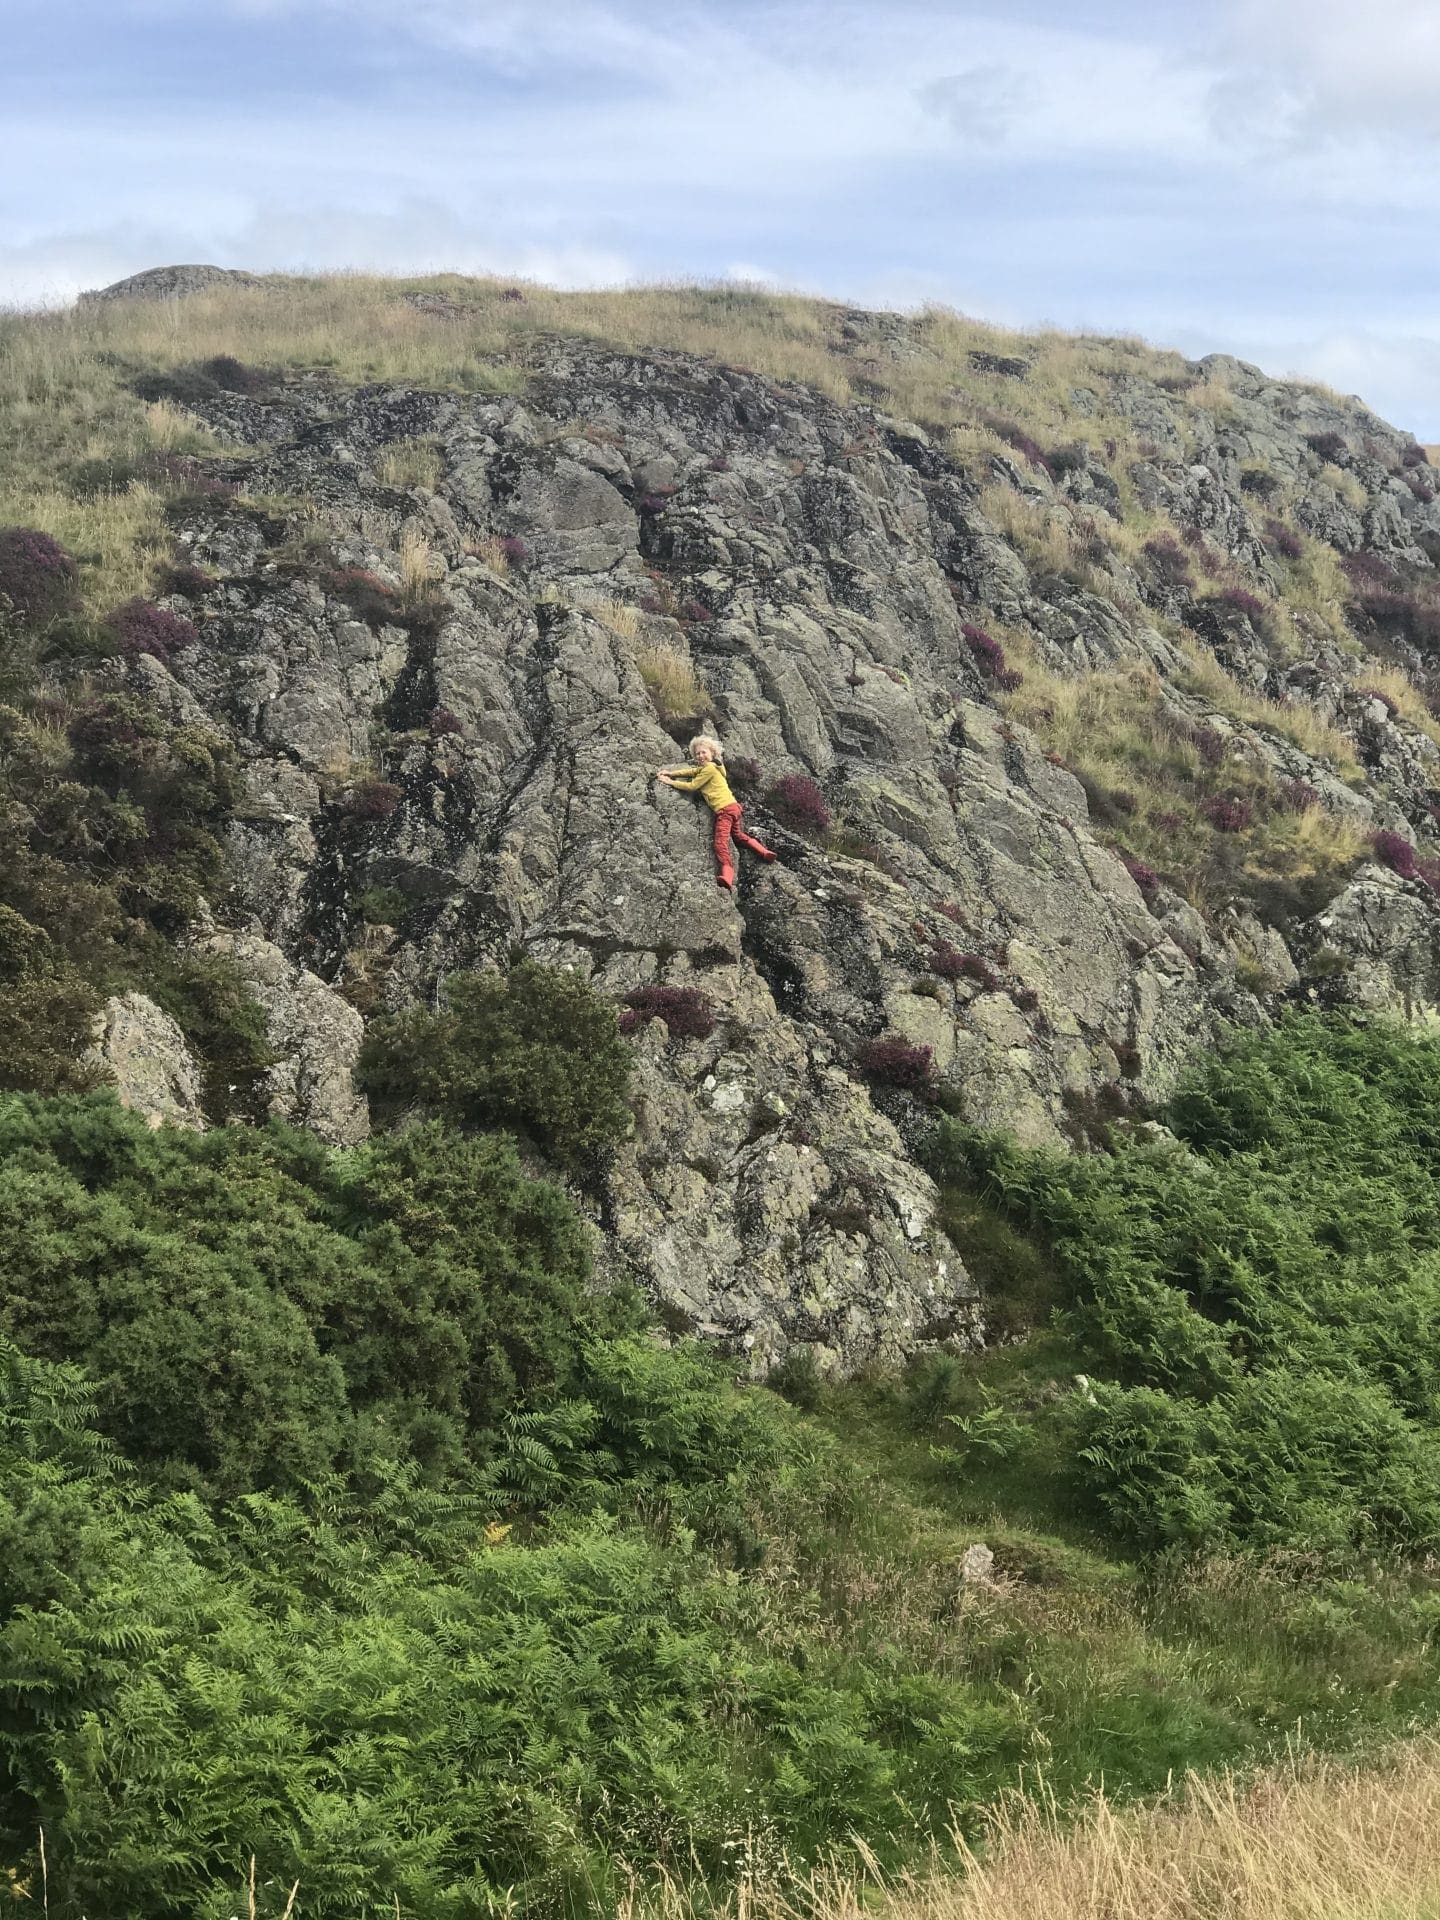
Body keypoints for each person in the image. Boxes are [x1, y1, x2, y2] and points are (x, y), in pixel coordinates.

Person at [657, 734, 776, 889]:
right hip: (734, 807)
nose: (700, 755)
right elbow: (693, 771)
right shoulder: (713, 767)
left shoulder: (709, 769)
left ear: (712, 753)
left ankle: (727, 875)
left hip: (725, 811)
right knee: (738, 836)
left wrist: (670, 782)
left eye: (704, 752)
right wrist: (672, 773)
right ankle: (764, 852)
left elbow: (692, 786)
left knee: (720, 844)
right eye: (697, 753)